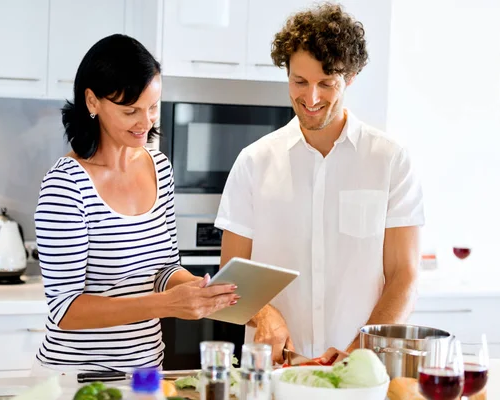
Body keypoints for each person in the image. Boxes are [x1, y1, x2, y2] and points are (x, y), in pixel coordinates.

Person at [215, 3, 424, 364]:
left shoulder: (390, 160)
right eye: (299, 81)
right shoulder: (254, 162)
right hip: (274, 370)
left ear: (351, 77)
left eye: (326, 84)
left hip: (361, 372)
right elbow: (231, 279)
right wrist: (264, 313)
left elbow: (404, 276)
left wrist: (356, 356)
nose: (310, 98)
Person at [32, 34, 238, 374]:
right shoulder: (67, 184)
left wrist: (200, 291)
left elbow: (164, 270)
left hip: (145, 372)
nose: (147, 122)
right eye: (131, 111)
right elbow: (66, 311)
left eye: (153, 107)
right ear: (92, 102)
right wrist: (166, 305)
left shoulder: (159, 167)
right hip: (78, 379)